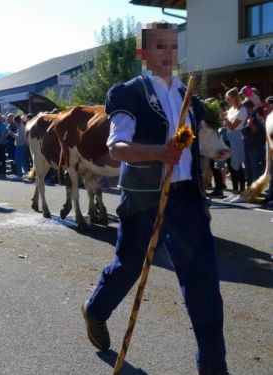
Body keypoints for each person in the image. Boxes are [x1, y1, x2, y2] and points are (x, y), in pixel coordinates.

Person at [81, 22, 229, 375]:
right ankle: (96, 310)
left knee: (203, 287)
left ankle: (214, 370)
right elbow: (116, 148)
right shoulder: (128, 93)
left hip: (187, 203)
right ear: (143, 54)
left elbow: (189, 152)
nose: (168, 55)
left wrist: (202, 197)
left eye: (172, 47)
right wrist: (159, 153)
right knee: (128, 267)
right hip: (142, 200)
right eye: (160, 47)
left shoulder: (188, 96)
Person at [222, 87, 247, 203]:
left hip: (237, 138)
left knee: (237, 166)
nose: (227, 100)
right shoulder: (231, 109)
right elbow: (226, 125)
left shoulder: (243, 109)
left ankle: (242, 193)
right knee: (231, 167)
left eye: (229, 98)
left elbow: (232, 126)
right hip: (228, 138)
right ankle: (235, 192)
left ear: (235, 98)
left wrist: (224, 117)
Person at [242, 100, 266, 187]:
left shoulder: (255, 116)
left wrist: (250, 123)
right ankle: (249, 187)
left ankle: (256, 189)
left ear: (249, 108)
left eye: (244, 107)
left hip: (255, 147)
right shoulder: (245, 117)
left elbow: (255, 131)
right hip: (247, 146)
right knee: (248, 169)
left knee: (255, 169)